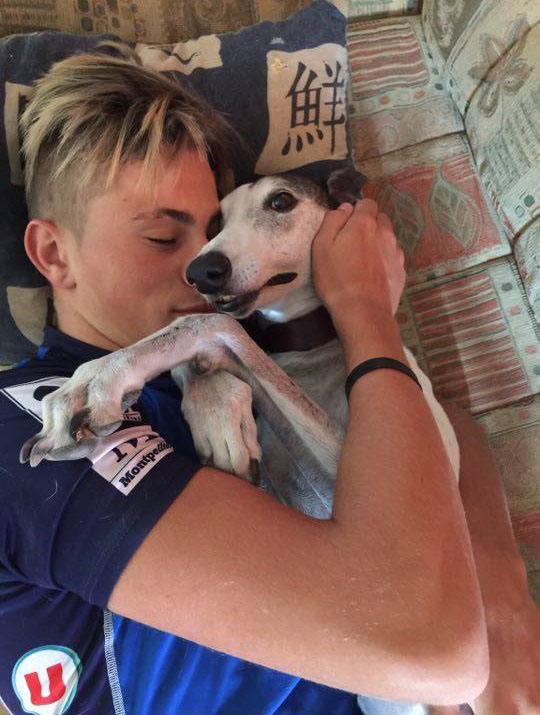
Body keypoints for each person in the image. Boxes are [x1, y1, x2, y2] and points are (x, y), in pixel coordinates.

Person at [0, 49, 537, 715]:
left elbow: (445, 428)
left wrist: (496, 576)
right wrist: (367, 315)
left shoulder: (240, 356)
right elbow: (433, 641)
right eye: (163, 239)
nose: (207, 266)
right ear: (54, 254)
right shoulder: (26, 429)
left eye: (213, 232)